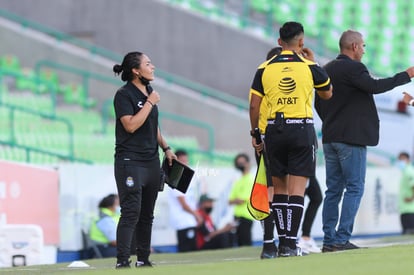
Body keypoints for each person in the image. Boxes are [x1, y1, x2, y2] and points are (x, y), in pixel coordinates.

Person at [314, 30, 414, 253]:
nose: (364, 50)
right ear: (354, 47)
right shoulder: (355, 68)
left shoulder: (327, 69)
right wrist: (406, 75)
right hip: (351, 139)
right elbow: (375, 87)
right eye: (363, 46)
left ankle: (329, 240)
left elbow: (319, 103)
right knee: (354, 187)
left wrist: (332, 122)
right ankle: (341, 239)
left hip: (331, 138)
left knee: (333, 191)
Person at [249, 21, 333, 257]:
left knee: (279, 189)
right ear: (301, 42)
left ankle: (280, 240)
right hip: (301, 128)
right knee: (298, 190)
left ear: (279, 42)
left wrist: (256, 132)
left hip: (274, 129)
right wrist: (314, 62)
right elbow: (327, 93)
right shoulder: (309, 65)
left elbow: (254, 105)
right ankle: (289, 244)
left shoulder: (264, 68)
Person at [112, 51, 176, 268]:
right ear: (136, 71)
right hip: (130, 161)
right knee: (131, 212)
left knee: (147, 214)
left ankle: (143, 259)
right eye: (148, 64)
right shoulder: (124, 94)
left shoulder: (149, 91)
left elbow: (152, 126)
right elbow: (130, 125)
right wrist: (149, 102)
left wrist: (166, 148)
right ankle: (122, 261)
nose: (153, 67)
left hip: (151, 161)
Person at [254, 46, 282, 260]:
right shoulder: (273, 77)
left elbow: (254, 107)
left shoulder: (261, 74)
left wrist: (255, 135)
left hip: (263, 139)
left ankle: (270, 242)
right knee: (278, 192)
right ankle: (279, 241)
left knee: (271, 192)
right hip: (274, 137)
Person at [167, 149, 202, 252]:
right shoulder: (175, 177)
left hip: (189, 220)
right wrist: (197, 215)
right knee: (187, 250)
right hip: (183, 221)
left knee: (193, 249)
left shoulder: (185, 177)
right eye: (182, 161)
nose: (185, 163)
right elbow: (183, 203)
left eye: (186, 161)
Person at [228, 153, 255, 247]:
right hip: (237, 216)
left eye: (242, 162)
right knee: (239, 242)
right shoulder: (238, 180)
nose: (240, 165)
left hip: (247, 215)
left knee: (246, 242)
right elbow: (230, 200)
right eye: (238, 163)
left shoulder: (251, 179)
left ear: (248, 163)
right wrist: (236, 200)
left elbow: (242, 200)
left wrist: (236, 200)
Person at [297, 176, 323, 253]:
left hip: (309, 170)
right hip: (299, 169)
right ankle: (288, 240)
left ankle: (305, 237)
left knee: (316, 198)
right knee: (296, 200)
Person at [396, 152, 414, 234]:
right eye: (399, 159)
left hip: (410, 209)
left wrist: (411, 198)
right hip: (405, 209)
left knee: (409, 233)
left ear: (408, 159)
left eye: (402, 159)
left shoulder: (409, 171)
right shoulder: (405, 171)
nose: (400, 161)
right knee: (406, 232)